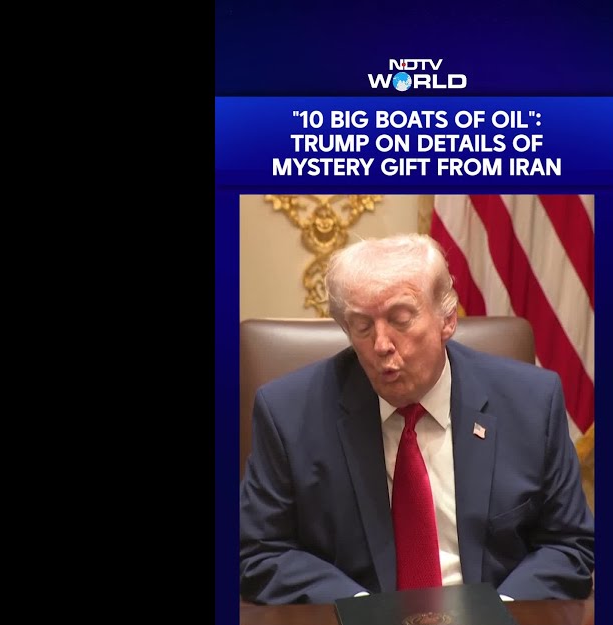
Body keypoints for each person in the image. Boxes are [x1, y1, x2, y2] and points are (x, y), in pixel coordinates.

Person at [239, 233, 594, 604]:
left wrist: (500, 612)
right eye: (362, 326)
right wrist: (360, 609)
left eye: (401, 320)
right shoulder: (289, 414)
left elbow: (568, 544)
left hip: (499, 621)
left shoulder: (531, 402)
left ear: (447, 320)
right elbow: (259, 552)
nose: (381, 345)